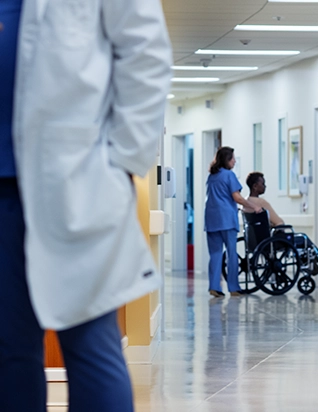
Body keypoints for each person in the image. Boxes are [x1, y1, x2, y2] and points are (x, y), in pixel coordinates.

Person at [0, 1, 172, 411]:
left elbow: (146, 56)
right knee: (9, 351)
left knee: (91, 345)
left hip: (76, 183)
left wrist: (122, 163)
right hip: (6, 193)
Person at [244, 171, 318, 273]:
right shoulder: (260, 202)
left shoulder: (246, 203)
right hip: (272, 240)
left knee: (299, 239)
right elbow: (278, 222)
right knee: (304, 238)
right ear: (255, 186)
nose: (265, 186)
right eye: (263, 184)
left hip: (255, 241)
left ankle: (317, 265)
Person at [205, 147, 262, 298]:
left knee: (215, 254)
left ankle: (214, 286)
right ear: (226, 160)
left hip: (211, 219)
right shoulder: (229, 175)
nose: (235, 161)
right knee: (231, 253)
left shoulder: (212, 176)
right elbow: (237, 197)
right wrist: (254, 206)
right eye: (232, 158)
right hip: (226, 219)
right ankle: (233, 287)